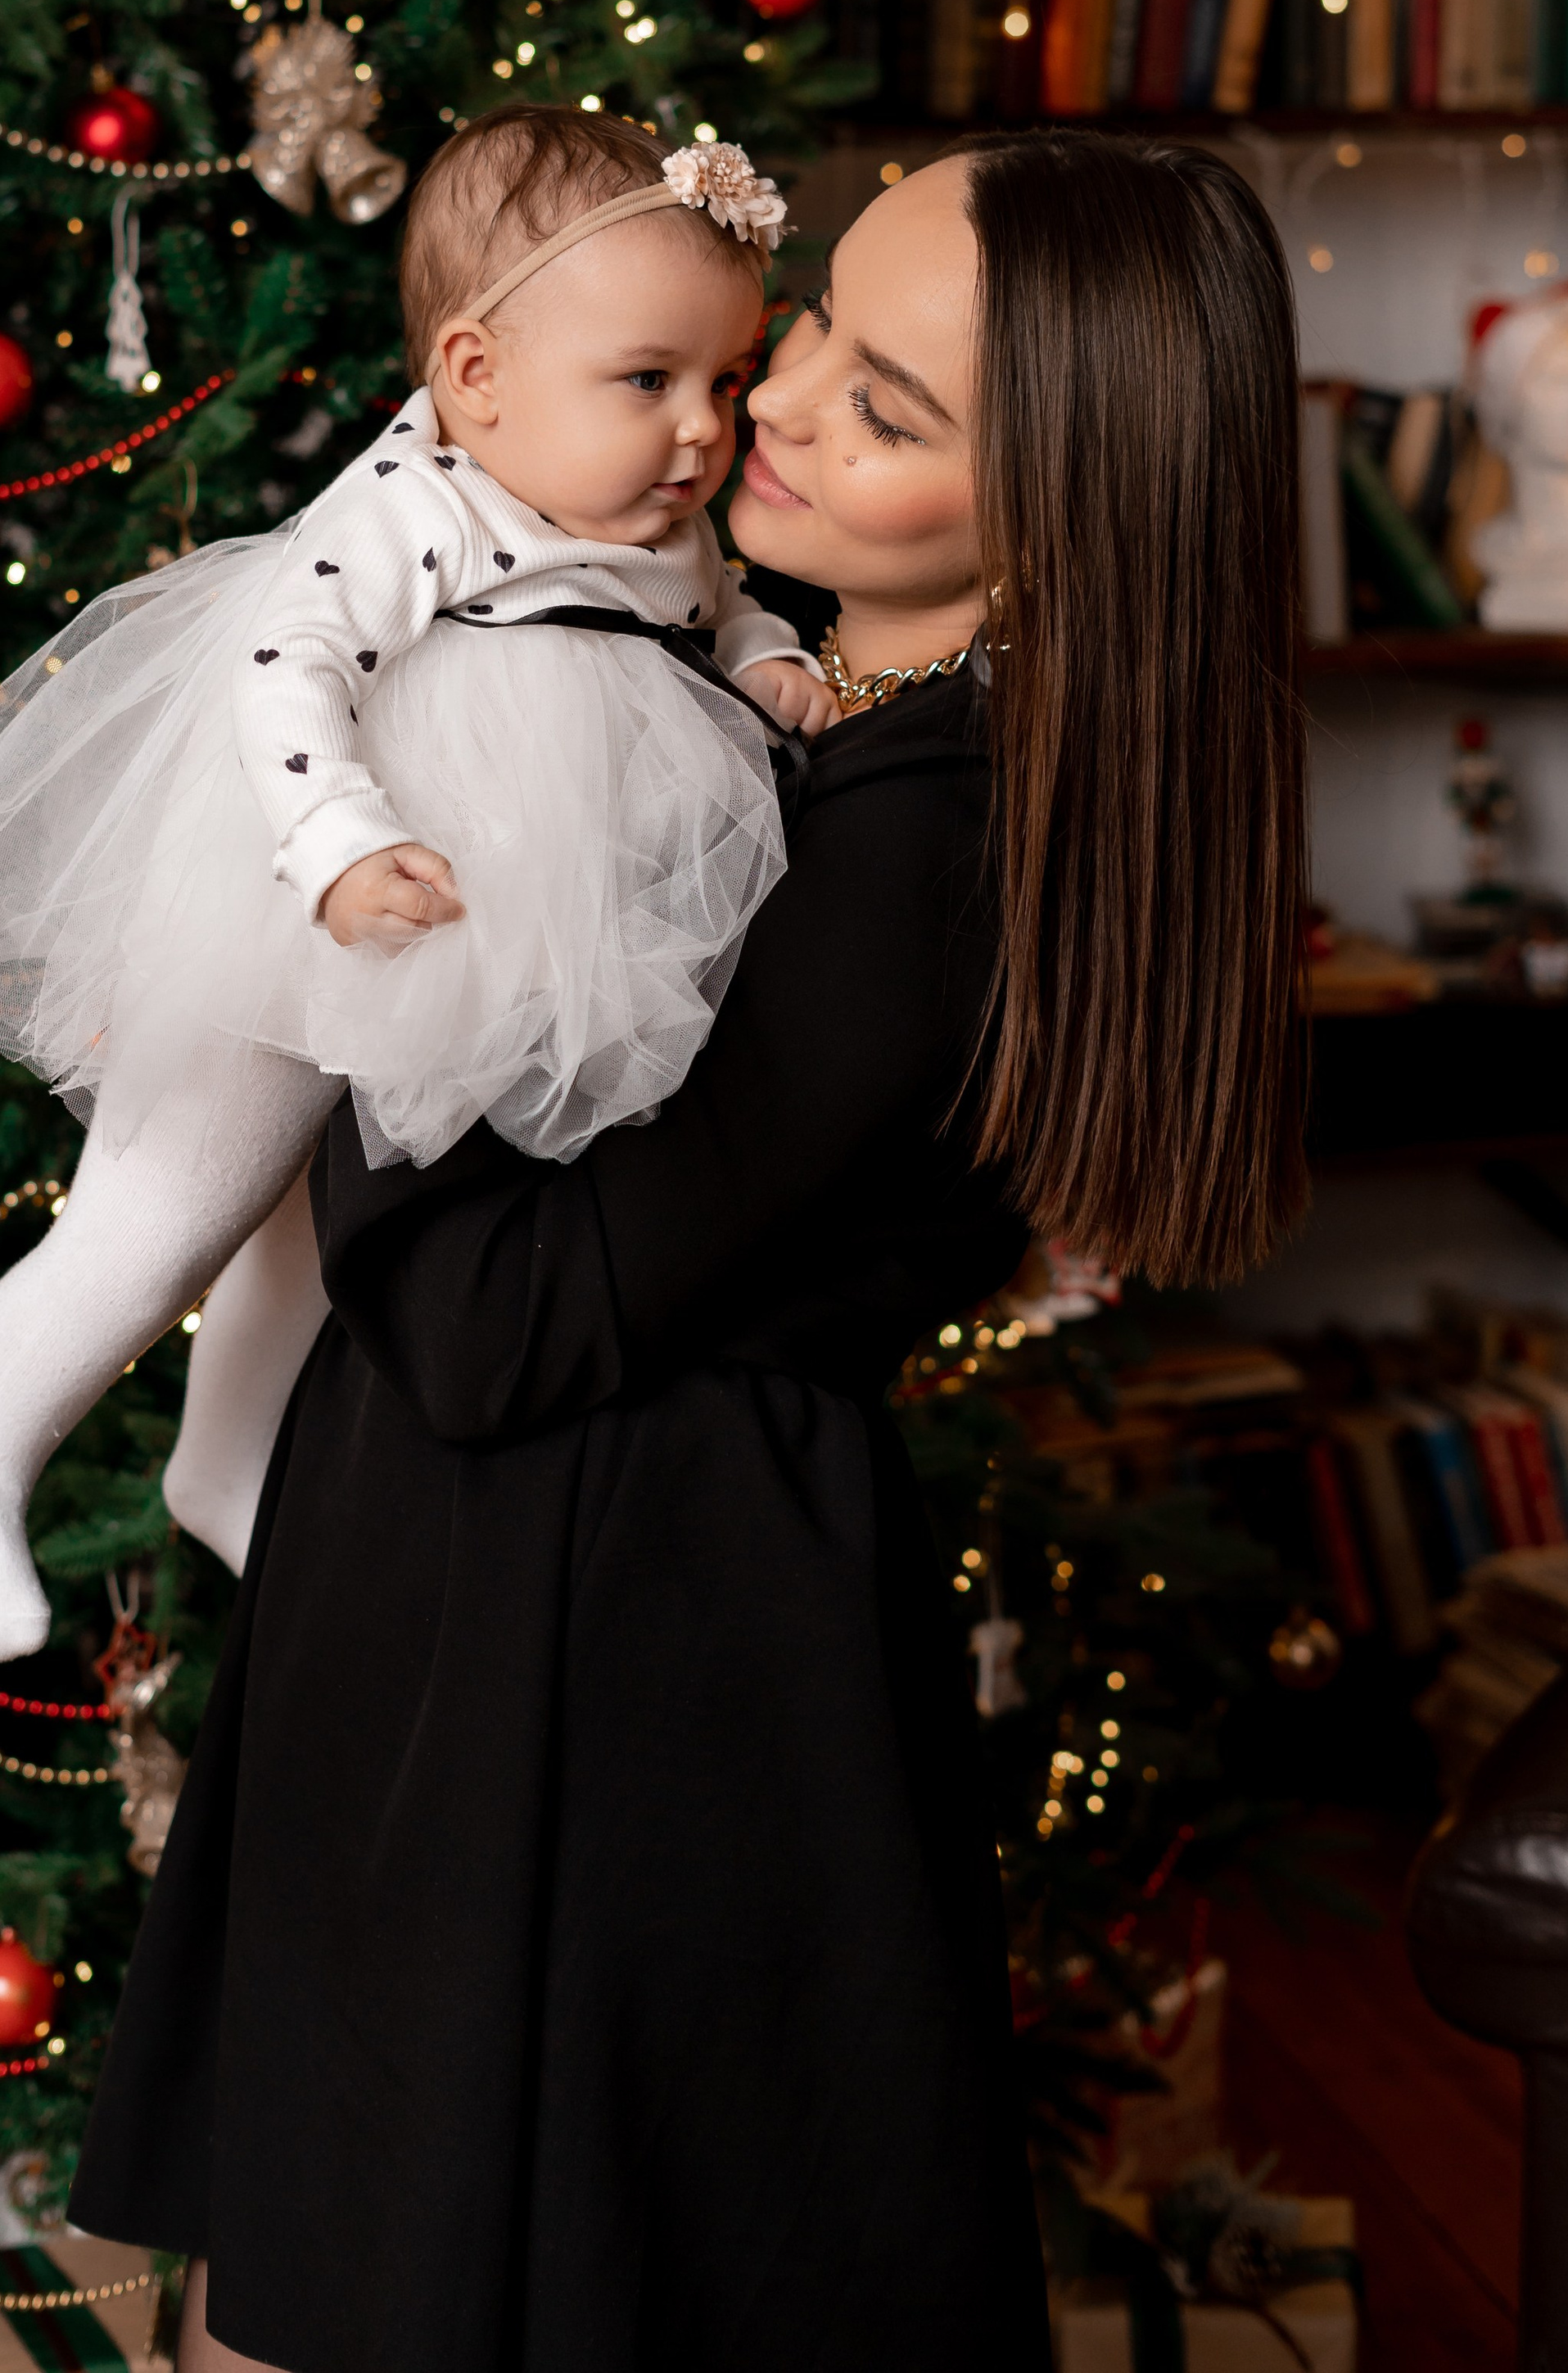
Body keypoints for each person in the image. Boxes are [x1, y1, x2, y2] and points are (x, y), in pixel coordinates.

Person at [69, 130, 1310, 2373]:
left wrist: (340, 974)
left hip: (615, 1651)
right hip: (533, 1598)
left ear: (1077, 512)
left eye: (890, 411)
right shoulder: (796, 710)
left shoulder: (932, 836)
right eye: (820, 319)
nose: (775, 404)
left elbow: (485, 1313)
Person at [0, 110, 832, 1662]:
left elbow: (718, 611)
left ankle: (225, 1466)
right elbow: (280, 665)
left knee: (317, 1230)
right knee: (178, 1199)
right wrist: (337, 850)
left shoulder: (658, 516)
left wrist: (770, 659)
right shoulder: (416, 505)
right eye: (647, 382)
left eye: (722, 381)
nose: (703, 430)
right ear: (474, 376)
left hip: (465, 924)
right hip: (304, 883)